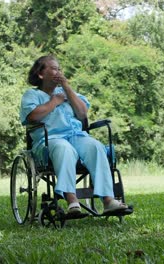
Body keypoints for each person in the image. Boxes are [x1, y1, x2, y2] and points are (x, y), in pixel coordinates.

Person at [20, 55, 128, 215]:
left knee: (95, 146)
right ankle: (72, 201)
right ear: (41, 74)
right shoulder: (32, 95)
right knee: (65, 149)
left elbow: (82, 113)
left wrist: (67, 88)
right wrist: (54, 101)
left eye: (59, 69)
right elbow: (33, 116)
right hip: (50, 140)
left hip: (76, 136)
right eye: (54, 68)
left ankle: (108, 200)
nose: (58, 71)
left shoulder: (67, 93)